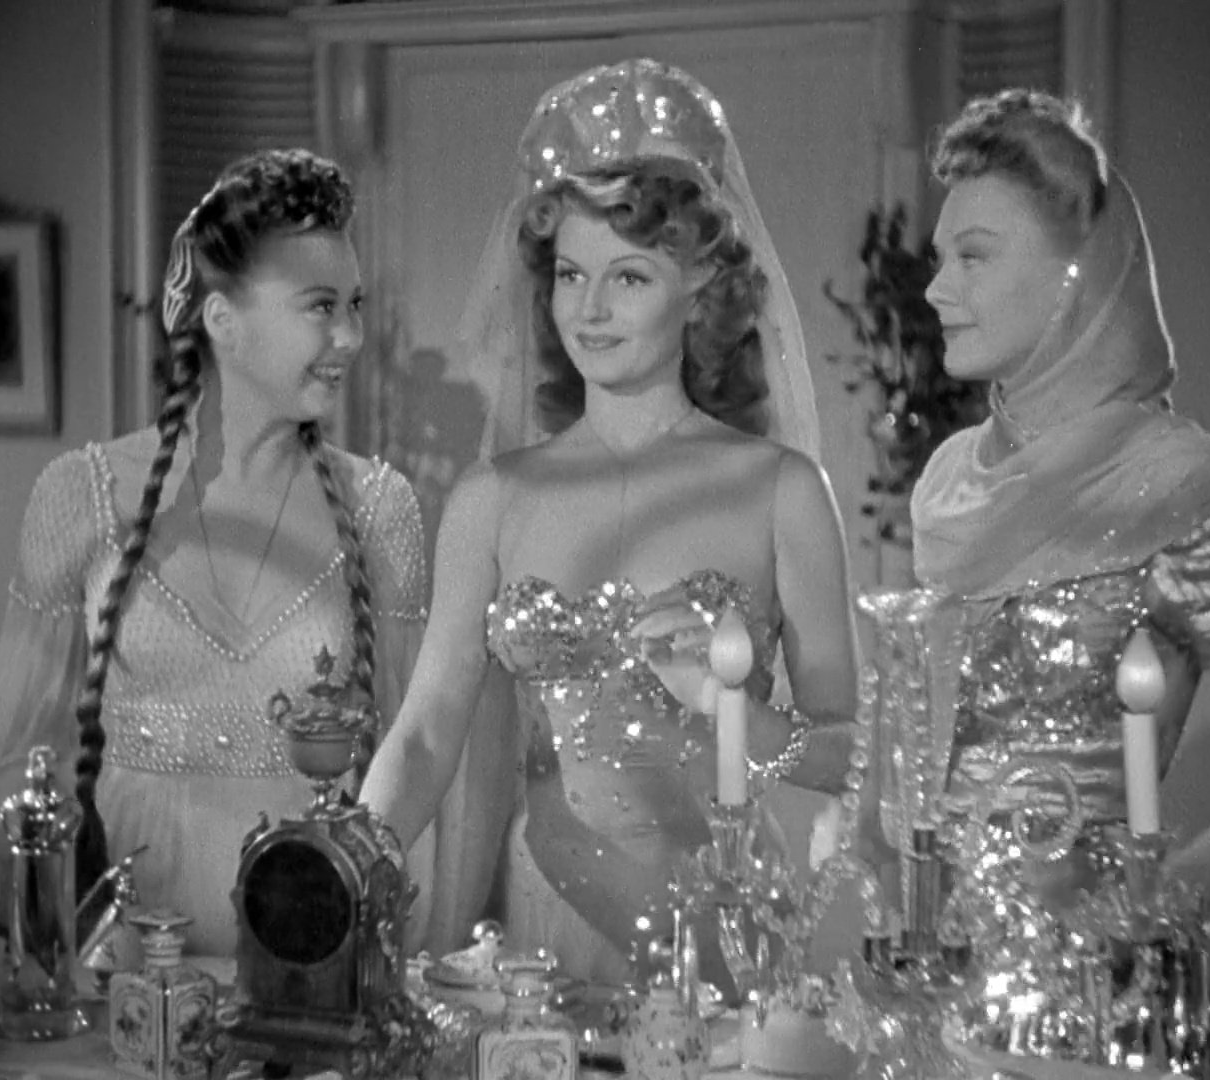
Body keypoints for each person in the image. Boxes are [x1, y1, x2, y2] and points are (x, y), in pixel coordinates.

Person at [357, 58, 863, 988]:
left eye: (628, 277)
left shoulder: (781, 490)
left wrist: (733, 713)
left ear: (701, 285)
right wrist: (344, 877)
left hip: (717, 911)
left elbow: (847, 755)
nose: (588, 310)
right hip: (541, 912)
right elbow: (425, 735)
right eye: (569, 274)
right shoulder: (492, 498)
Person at [0, 149, 502, 958]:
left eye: (354, 306)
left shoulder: (379, 508)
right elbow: (18, 751)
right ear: (223, 319)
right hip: (132, 955)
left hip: (309, 942)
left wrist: (363, 937)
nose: (350, 337)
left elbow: (412, 751)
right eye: (320, 307)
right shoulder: (82, 494)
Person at [903, 89, 1210, 1077]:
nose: (935, 289)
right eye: (938, 258)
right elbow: (924, 755)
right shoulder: (950, 483)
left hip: (1111, 1010)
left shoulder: (1179, 489)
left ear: (1077, 278)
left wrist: (1138, 909)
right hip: (956, 993)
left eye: (972, 256)